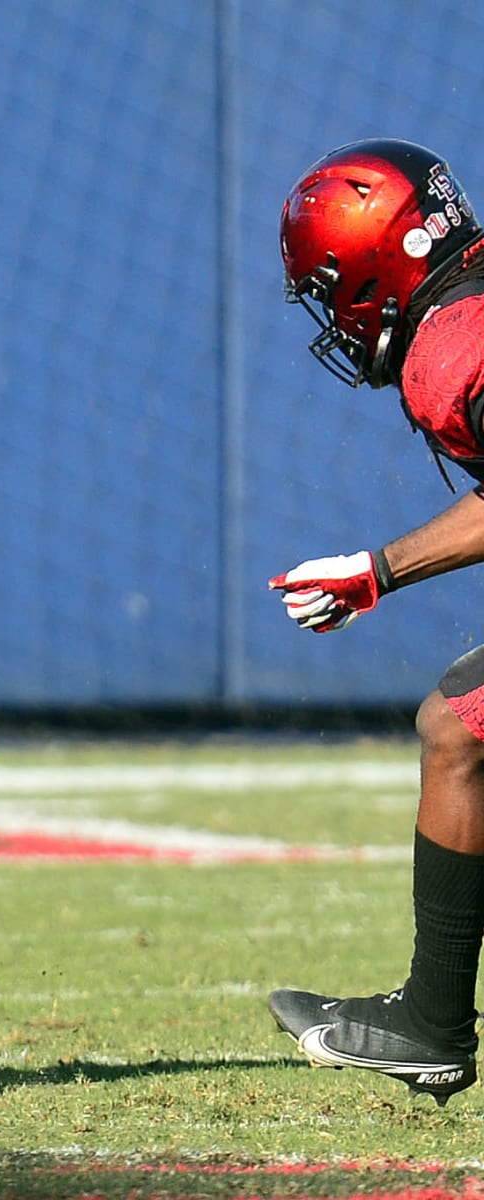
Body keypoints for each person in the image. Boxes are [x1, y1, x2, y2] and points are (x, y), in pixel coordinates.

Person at [266, 137, 484, 1107]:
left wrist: (377, 571)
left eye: (333, 285)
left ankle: (434, 1023)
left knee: (455, 736)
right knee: (457, 730)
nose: (337, 315)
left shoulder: (452, 352)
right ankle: (430, 1023)